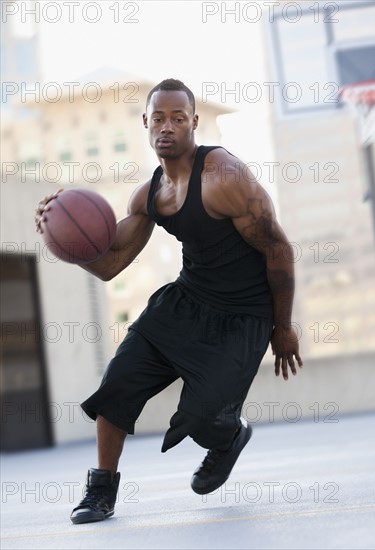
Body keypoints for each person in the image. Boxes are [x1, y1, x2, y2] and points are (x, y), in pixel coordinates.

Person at [35, 79, 303, 524]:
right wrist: (63, 240)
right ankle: (100, 490)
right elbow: (110, 263)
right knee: (117, 385)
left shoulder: (225, 178)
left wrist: (282, 326)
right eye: (158, 117)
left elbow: (278, 248)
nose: (167, 126)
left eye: (178, 118)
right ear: (145, 123)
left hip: (243, 315)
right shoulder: (150, 195)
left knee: (201, 419)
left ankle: (227, 437)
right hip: (186, 301)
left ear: (194, 123)